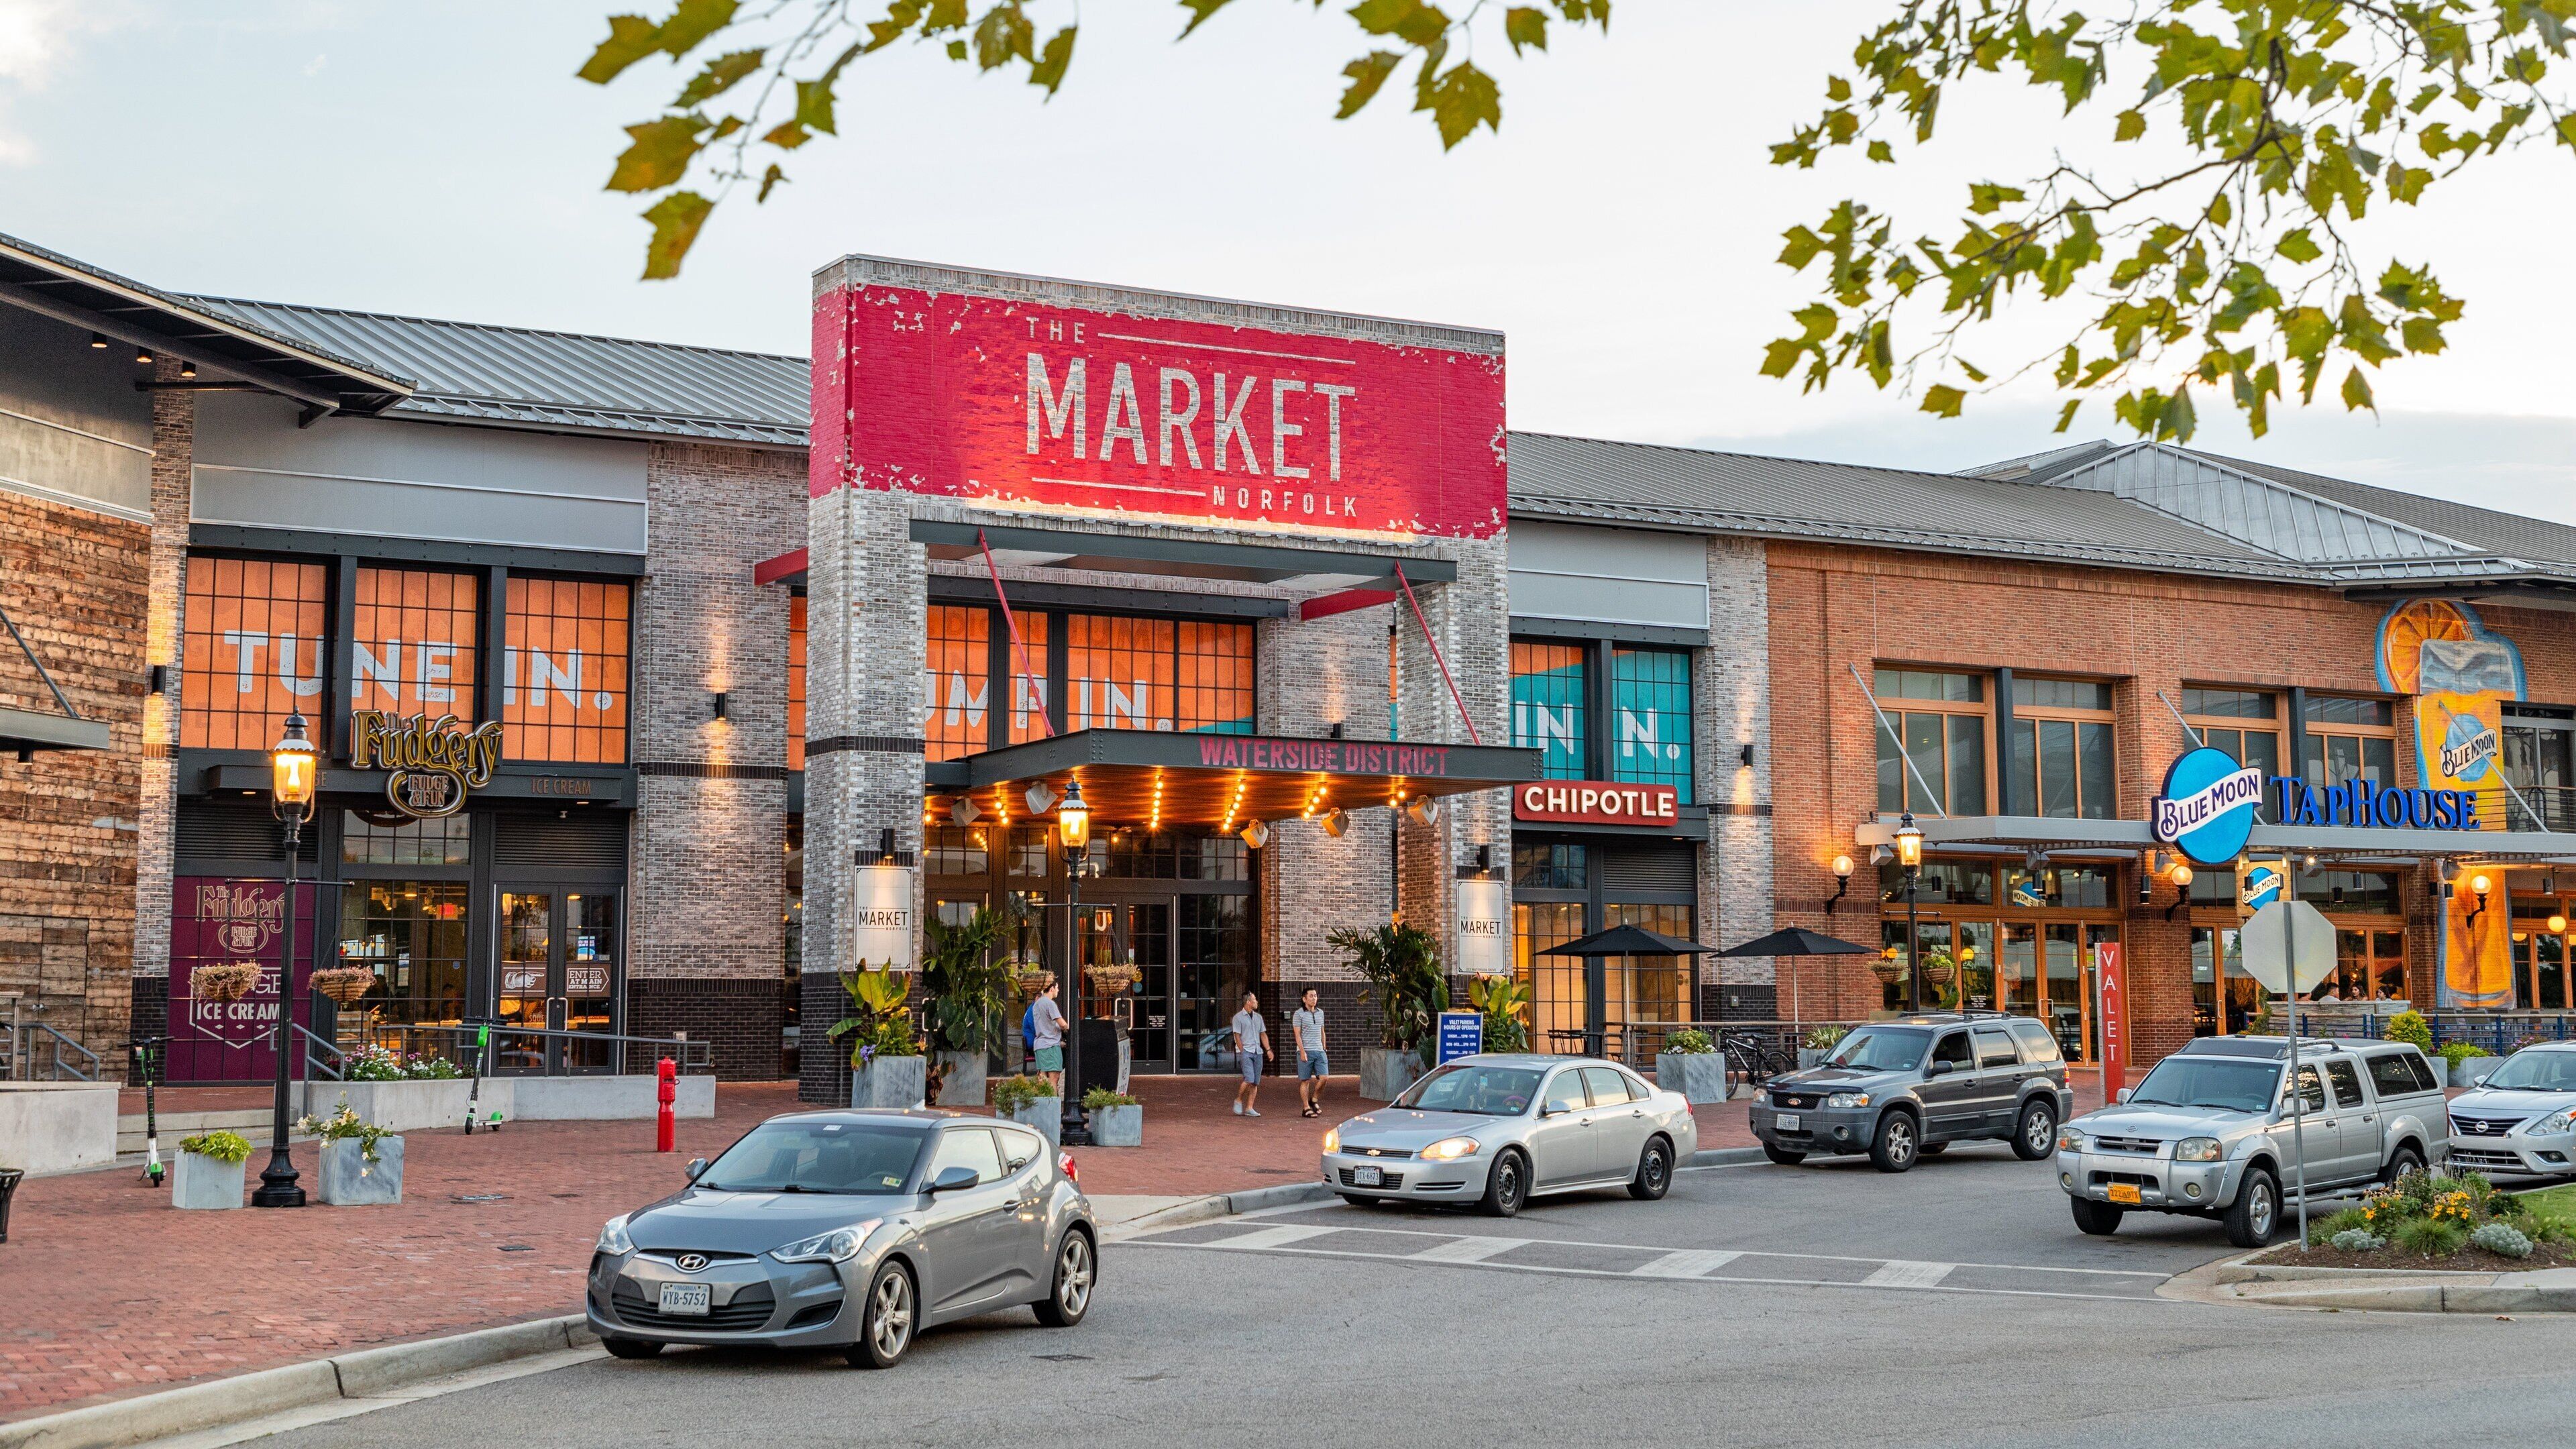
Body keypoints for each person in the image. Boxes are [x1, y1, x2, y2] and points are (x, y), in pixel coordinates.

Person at [1231, 989, 1273, 1117]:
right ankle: (1238, 1099)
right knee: (1249, 1078)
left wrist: (1268, 1049)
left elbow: (1263, 1034)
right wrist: (1243, 1051)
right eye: (1255, 1000)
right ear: (1249, 1002)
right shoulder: (1238, 1018)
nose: (1257, 1002)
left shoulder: (1258, 1018)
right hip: (1247, 1052)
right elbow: (1237, 1036)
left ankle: (1249, 1108)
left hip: (1258, 1052)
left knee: (1255, 1082)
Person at [1291, 987, 1330, 1118]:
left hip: (1319, 1051)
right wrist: (1302, 1051)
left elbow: (1322, 1031)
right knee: (1305, 1081)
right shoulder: (1298, 1014)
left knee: (1324, 1078)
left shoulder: (1321, 1013)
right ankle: (1306, 1108)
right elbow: (1297, 1035)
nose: (1314, 998)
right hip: (1305, 1050)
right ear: (1304, 999)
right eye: (1311, 996)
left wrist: (1324, 1048)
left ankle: (1313, 1100)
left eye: (1315, 996)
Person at [1030, 975, 1068, 1096]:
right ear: (1051, 988)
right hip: (1050, 1046)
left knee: (1042, 1078)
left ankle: (1042, 1107)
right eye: (1057, 988)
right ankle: (1053, 1108)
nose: (1058, 991)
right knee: (1054, 1079)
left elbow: (1044, 1025)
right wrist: (1069, 1029)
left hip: (1040, 1045)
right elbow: (1062, 1024)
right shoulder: (1050, 1004)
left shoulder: (1037, 1004)